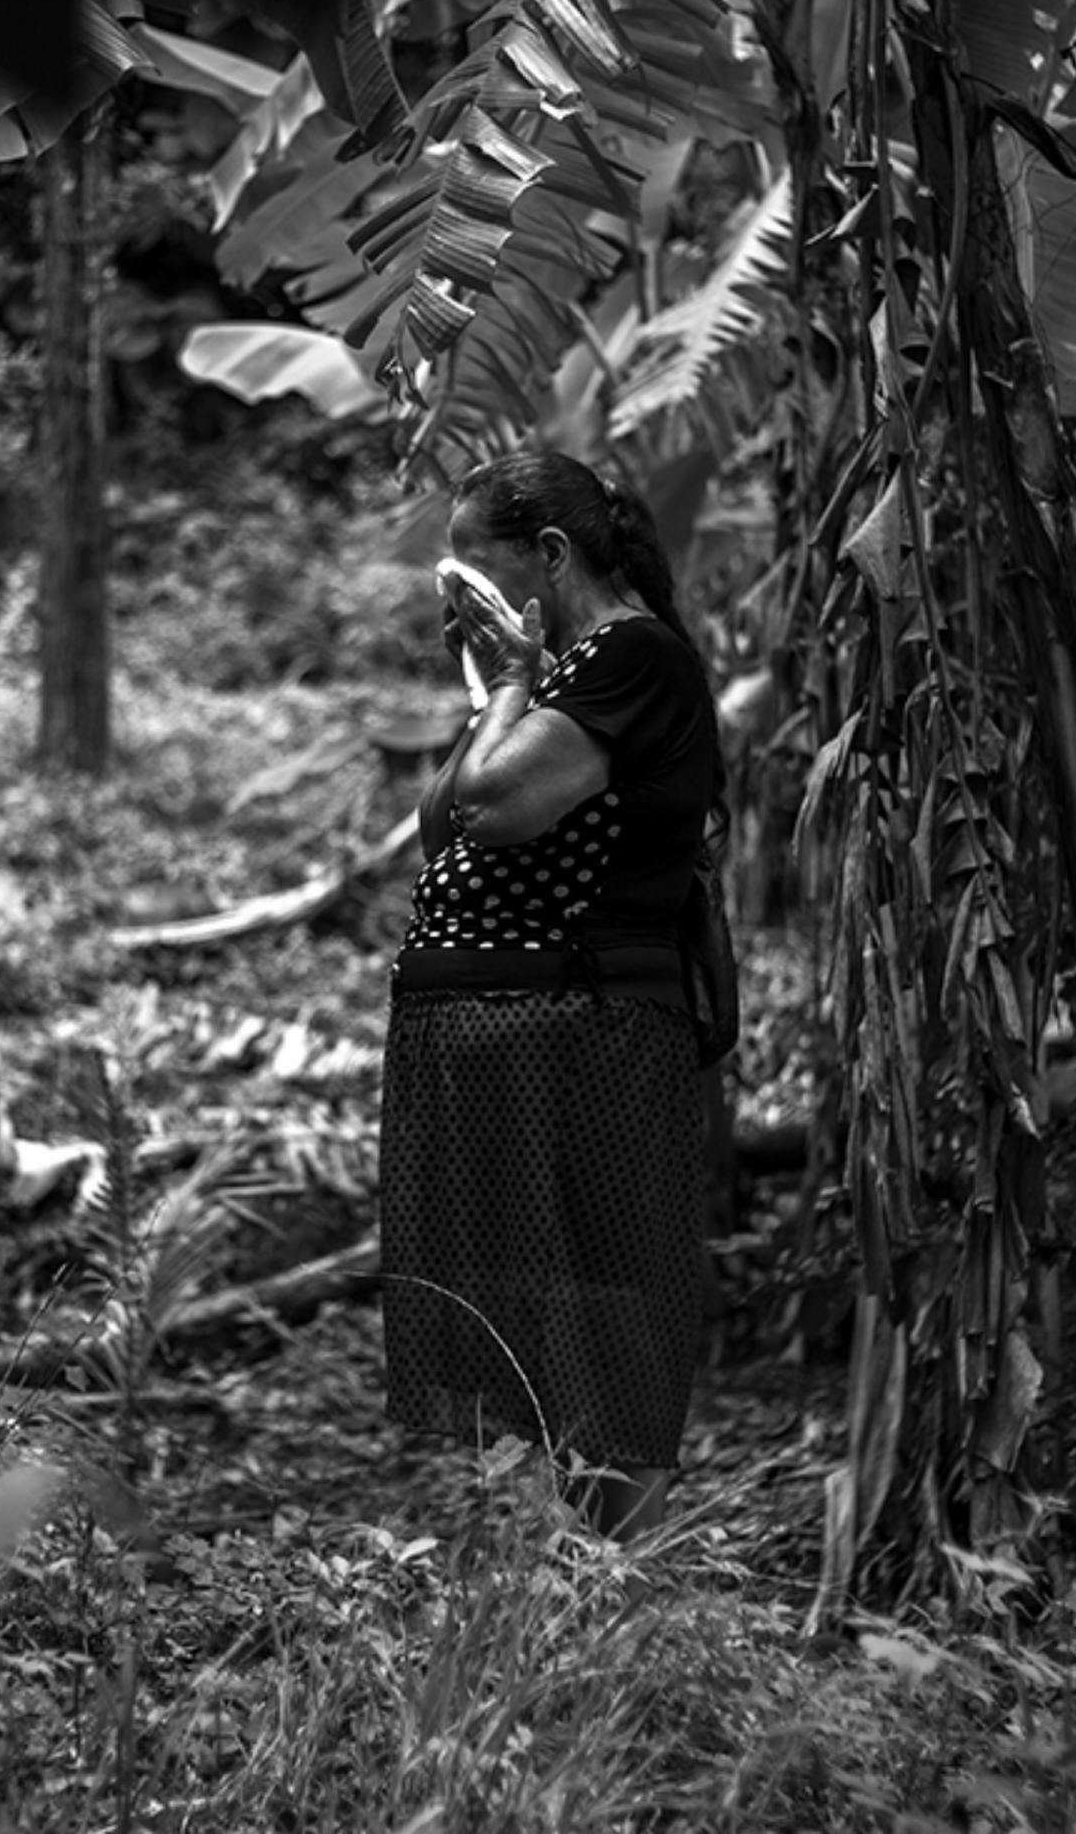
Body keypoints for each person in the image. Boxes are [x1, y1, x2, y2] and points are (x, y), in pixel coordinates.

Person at [378, 447, 724, 1539]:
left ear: (552, 557)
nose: (465, 610)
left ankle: (623, 1599)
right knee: (547, 1337)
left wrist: (516, 678)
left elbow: (499, 803)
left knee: (606, 1338)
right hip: (510, 1045)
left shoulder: (633, 660)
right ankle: (586, 1602)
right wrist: (498, 683)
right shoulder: (560, 673)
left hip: (588, 1041)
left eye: (478, 581)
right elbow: (445, 816)